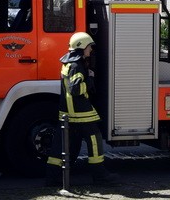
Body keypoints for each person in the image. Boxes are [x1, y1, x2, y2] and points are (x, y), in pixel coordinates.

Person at [45, 32, 117, 187]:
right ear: (81, 47)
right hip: (80, 113)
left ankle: (52, 177)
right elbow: (75, 89)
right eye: (89, 47)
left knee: (61, 145)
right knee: (94, 139)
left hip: (67, 112)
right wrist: (90, 79)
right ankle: (99, 175)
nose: (90, 50)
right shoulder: (77, 66)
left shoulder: (68, 63)